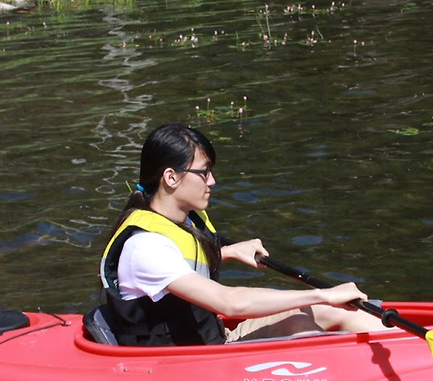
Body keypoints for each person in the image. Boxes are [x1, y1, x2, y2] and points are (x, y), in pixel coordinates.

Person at [97, 123, 389, 346]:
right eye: (204, 172)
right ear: (171, 177)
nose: (212, 181)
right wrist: (325, 294)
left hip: (211, 341)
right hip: (185, 364)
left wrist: (228, 252)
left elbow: (180, 265)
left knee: (331, 312)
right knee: (305, 328)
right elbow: (230, 302)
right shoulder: (145, 247)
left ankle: (404, 355)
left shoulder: (178, 223)